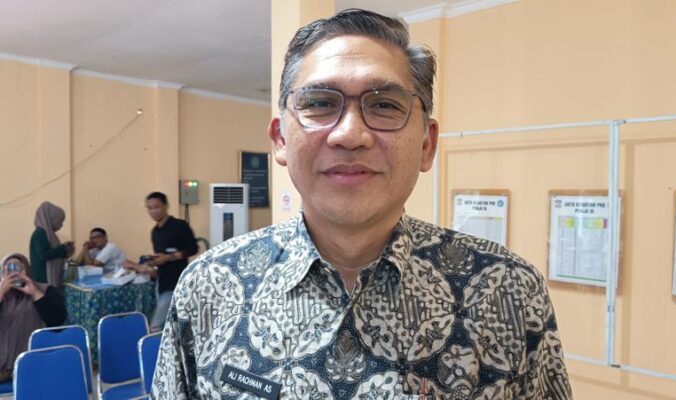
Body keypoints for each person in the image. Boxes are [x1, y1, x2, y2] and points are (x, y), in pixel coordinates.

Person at [152, 9, 572, 399]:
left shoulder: (508, 289)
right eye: (320, 103)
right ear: (280, 139)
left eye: (385, 105)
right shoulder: (208, 285)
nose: (350, 134)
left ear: (426, 145)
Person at [123, 192, 197, 332]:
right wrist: (153, 260)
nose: (153, 211)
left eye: (157, 207)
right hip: (162, 281)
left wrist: (170, 257)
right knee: (169, 325)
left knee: (155, 326)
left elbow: (193, 248)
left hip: (177, 281)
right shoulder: (155, 232)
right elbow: (161, 256)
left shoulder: (179, 226)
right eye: (150, 208)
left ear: (166, 206)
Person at [0, 253, 67, 384]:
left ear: (27, 269)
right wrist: (1, 292)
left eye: (18, 267)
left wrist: (35, 293)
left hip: (31, 360)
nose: (14, 273)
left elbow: (57, 320)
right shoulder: (2, 293)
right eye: (9, 268)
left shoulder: (45, 290)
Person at [29, 201, 75, 287]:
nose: (61, 225)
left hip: (46, 276)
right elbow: (44, 255)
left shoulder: (50, 234)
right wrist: (63, 248)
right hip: (42, 278)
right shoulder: (40, 233)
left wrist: (66, 251)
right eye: (60, 221)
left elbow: (53, 252)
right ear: (51, 219)